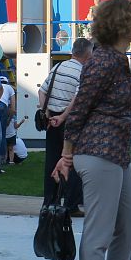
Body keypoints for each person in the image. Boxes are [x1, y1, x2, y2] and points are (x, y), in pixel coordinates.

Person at [53, 0, 131, 260]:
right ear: (120, 25)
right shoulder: (103, 62)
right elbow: (78, 111)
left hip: (117, 154)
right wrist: (66, 154)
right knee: (99, 233)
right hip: (97, 152)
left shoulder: (118, 60)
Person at [39, 38, 93, 216]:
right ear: (88, 53)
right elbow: (78, 99)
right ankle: (71, 204)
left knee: (51, 161)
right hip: (69, 122)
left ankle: (49, 201)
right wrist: (63, 117)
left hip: (51, 121)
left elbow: (42, 90)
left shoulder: (58, 67)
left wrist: (46, 112)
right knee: (72, 161)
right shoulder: (83, 71)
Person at [0, 76, 15, 158]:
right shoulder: (9, 88)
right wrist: (9, 120)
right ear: (6, 82)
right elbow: (13, 109)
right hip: (3, 106)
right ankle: (2, 157)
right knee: (2, 133)